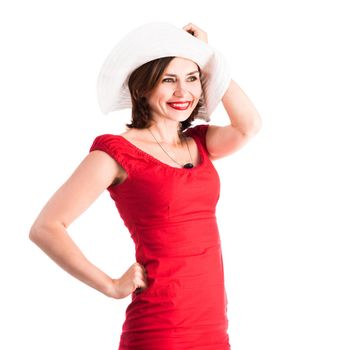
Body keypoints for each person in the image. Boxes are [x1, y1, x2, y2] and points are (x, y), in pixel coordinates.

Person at [29, 21, 262, 350]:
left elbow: (249, 125)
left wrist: (208, 56)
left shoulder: (200, 142)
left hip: (212, 326)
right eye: (169, 80)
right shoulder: (116, 153)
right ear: (143, 87)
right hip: (161, 328)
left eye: (192, 78)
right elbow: (46, 227)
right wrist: (111, 285)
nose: (184, 93)